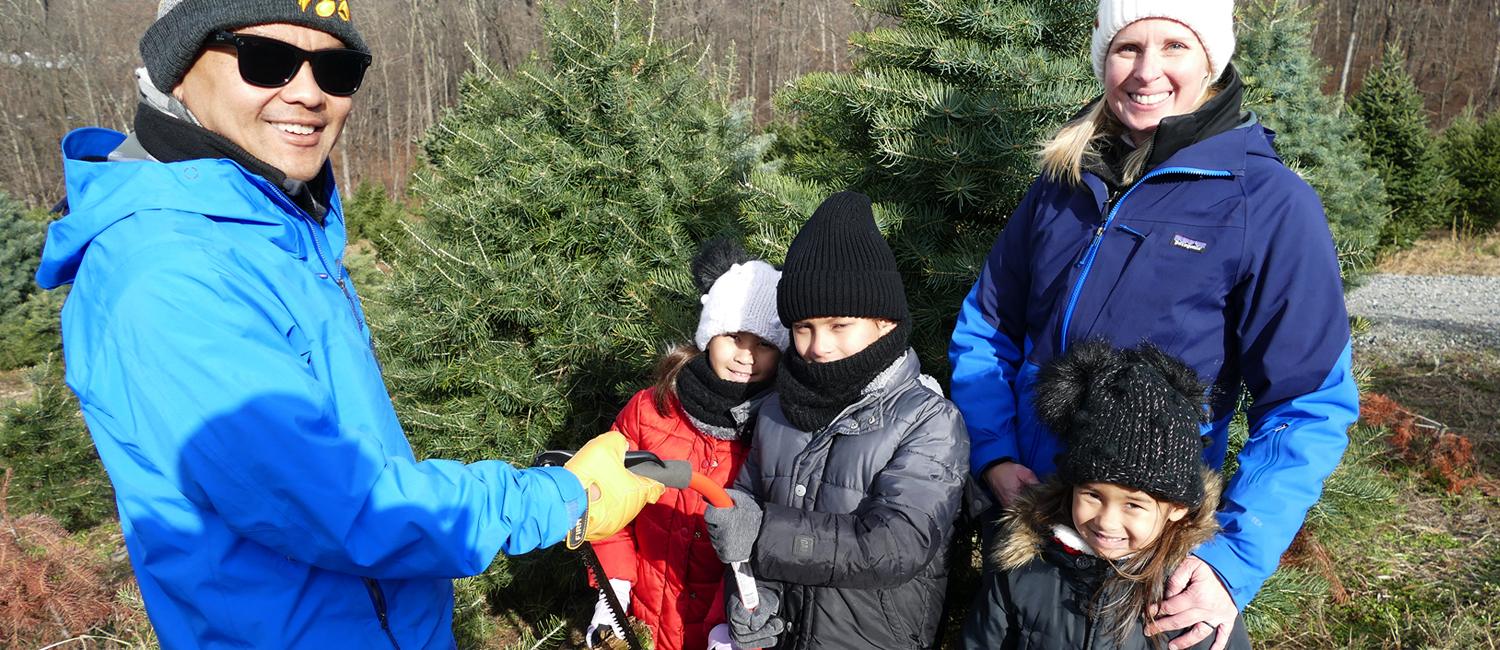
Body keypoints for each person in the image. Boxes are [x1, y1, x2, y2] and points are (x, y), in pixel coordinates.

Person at [33, 2, 661, 648]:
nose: (307, 93)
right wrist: (564, 498)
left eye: (337, 68)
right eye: (266, 60)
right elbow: (345, 506)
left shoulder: (274, 225)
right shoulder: (172, 274)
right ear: (177, 69)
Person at [947, 0, 1360, 648]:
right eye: (1127, 48)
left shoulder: (1267, 203)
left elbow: (1309, 404)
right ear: (1102, 59)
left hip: (1153, 561)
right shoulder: (1063, 183)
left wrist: (1230, 565)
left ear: (1212, 59)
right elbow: (987, 330)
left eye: (1174, 46)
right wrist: (995, 452)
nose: (1146, 71)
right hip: (1039, 532)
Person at [702, 191, 969, 650]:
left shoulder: (929, 421)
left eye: (839, 325)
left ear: (885, 322)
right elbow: (741, 512)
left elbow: (895, 545)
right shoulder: (776, 409)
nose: (817, 347)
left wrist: (763, 534)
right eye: (803, 328)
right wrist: (749, 597)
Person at [960, 341, 1252, 650]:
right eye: (1092, 495)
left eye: (1133, 504)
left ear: (1177, 507)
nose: (1106, 521)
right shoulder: (1025, 571)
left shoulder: (1191, 598)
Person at [588, 238, 789, 650]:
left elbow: (770, 543)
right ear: (710, 333)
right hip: (643, 618)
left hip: (724, 633)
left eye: (765, 343)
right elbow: (604, 497)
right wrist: (616, 588)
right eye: (734, 336)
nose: (746, 356)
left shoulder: (782, 432)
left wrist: (727, 627)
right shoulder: (650, 410)